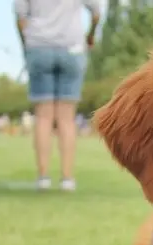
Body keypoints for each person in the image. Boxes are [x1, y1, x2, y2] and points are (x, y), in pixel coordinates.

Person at [13, 0, 102, 191]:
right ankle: (67, 178)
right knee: (67, 119)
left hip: (38, 47)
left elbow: (20, 18)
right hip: (72, 48)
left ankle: (43, 177)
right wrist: (90, 35)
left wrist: (26, 47)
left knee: (43, 117)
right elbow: (96, 12)